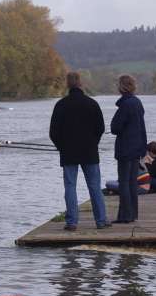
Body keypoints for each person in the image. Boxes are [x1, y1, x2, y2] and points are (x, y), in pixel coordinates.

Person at [49, 71, 111, 231]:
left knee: (70, 186)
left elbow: (53, 132)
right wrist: (93, 143)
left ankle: (72, 222)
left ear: (67, 84)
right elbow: (100, 128)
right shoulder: (92, 104)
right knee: (94, 186)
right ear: (81, 84)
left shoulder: (61, 105)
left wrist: (61, 147)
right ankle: (101, 220)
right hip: (89, 151)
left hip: (68, 152)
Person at [110, 74, 147, 223]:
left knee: (124, 182)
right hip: (137, 147)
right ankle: (133, 213)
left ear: (122, 87)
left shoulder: (125, 105)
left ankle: (125, 215)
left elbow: (115, 127)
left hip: (126, 148)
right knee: (132, 182)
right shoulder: (137, 102)